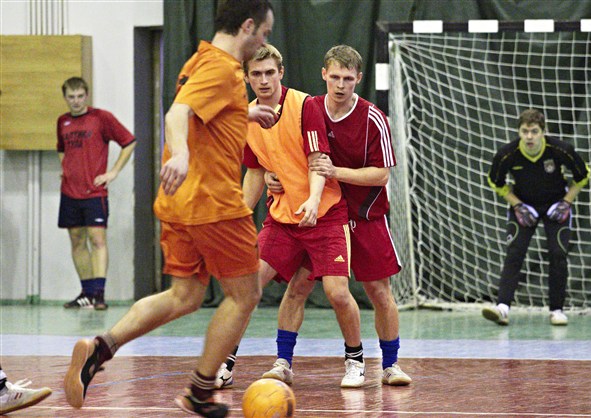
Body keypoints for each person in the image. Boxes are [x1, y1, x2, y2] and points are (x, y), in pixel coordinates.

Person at [63, 2, 275, 417]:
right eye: (264, 33)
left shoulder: (200, 59)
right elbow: (178, 113)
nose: (264, 41)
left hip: (180, 203)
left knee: (185, 294)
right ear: (248, 26)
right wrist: (179, 153)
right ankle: (200, 392)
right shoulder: (222, 68)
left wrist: (242, 112)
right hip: (213, 202)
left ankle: (100, 348)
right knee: (246, 295)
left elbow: (201, 111)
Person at [217, 44, 411, 389]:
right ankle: (271, 362)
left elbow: (380, 175)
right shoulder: (309, 107)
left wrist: (330, 176)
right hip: (303, 215)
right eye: (335, 77)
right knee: (291, 288)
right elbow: (271, 161)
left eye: (347, 78)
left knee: (375, 291)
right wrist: (269, 177)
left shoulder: (369, 118)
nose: (340, 84)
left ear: (358, 79)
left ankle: (388, 364)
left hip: (359, 213)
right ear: (324, 75)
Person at [237, 44, 365, 388]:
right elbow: (254, 171)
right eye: (256, 74)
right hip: (283, 220)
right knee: (248, 288)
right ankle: (246, 363)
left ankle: (355, 360)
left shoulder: (304, 106)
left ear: (281, 73)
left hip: (324, 216)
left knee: (337, 293)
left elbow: (318, 160)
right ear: (247, 78)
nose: (264, 80)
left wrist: (313, 199)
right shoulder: (247, 117)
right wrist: (241, 216)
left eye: (269, 72)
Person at [482, 109, 590, 326]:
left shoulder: (561, 150)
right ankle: (502, 308)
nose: (529, 136)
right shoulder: (507, 154)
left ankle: (557, 310)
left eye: (534, 131)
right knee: (515, 252)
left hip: (555, 206)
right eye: (524, 131)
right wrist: (517, 205)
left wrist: (566, 202)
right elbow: (495, 181)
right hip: (524, 206)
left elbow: (583, 175)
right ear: (518, 132)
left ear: (543, 131)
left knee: (558, 253)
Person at [57, 76, 137, 310]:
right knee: (77, 240)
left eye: (80, 96)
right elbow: (61, 149)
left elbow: (129, 142)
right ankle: (87, 293)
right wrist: (65, 169)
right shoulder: (62, 121)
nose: (76, 101)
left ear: (87, 95)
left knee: (97, 239)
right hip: (70, 192)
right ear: (65, 98)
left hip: (94, 193)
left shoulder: (101, 118)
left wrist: (113, 172)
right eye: (71, 97)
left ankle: (100, 294)